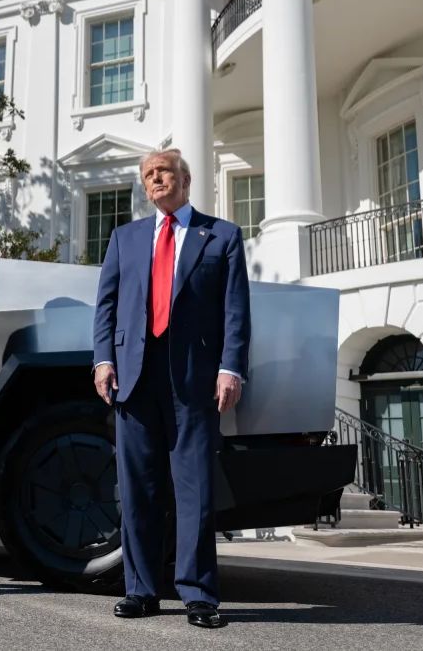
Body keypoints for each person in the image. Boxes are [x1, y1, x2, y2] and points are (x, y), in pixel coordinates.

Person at [92, 148, 250, 628]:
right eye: (146, 175)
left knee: (195, 489)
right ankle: (140, 590)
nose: (153, 179)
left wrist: (231, 368)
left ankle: (199, 593)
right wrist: (103, 359)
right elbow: (107, 304)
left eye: (162, 171)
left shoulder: (221, 235)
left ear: (185, 178)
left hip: (194, 380)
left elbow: (235, 309)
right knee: (138, 489)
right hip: (134, 378)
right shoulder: (125, 237)